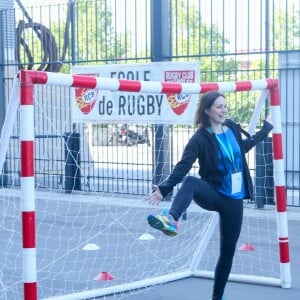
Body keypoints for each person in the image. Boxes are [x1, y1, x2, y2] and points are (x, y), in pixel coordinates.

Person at [147, 91, 273, 300]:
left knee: (227, 253)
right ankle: (171, 219)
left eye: (225, 106)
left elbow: (244, 147)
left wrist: (267, 128)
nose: (224, 110)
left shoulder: (231, 127)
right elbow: (183, 166)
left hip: (234, 200)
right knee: (190, 182)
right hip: (213, 193)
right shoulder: (200, 138)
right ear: (207, 110)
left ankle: (217, 297)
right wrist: (164, 188)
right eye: (219, 107)